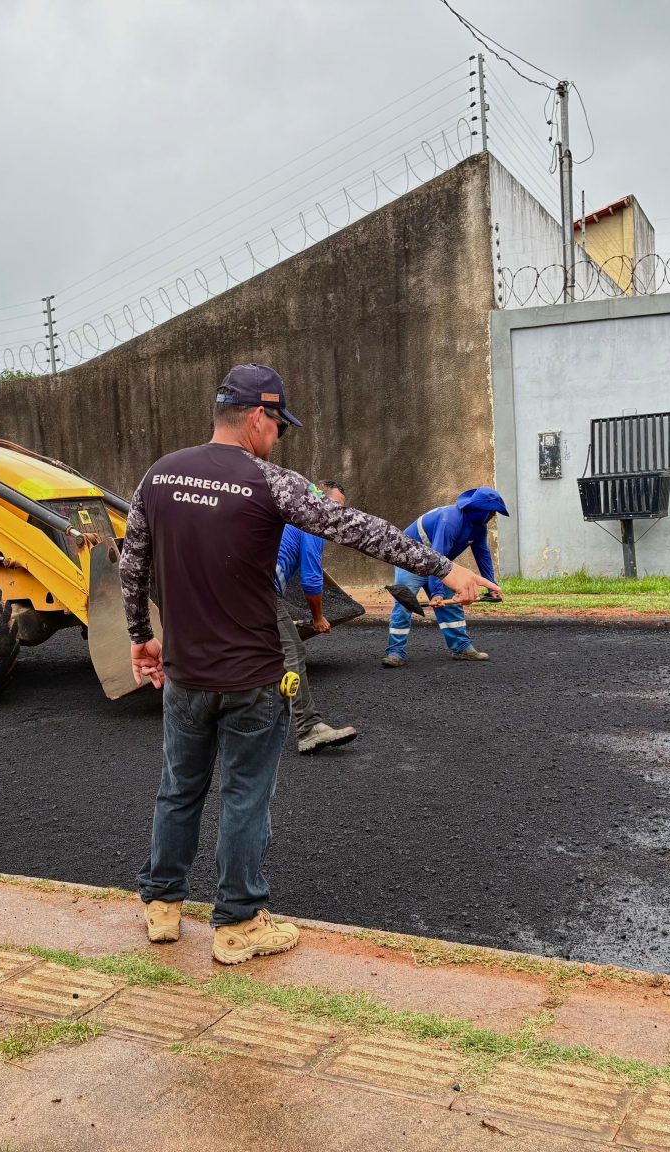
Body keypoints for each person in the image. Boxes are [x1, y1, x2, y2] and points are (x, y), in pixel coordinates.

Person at [120, 364, 501, 965]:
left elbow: (132, 562)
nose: (279, 438)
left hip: (185, 674)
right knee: (245, 795)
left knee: (179, 789)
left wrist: (142, 636)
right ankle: (238, 923)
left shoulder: (158, 476)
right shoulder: (269, 481)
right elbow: (359, 530)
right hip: (250, 676)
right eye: (279, 425)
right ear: (256, 418)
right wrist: (445, 567)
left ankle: (162, 908)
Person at [382, 487, 508, 668]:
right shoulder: (450, 520)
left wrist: (492, 587)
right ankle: (395, 652)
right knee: (403, 605)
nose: (493, 517)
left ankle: (461, 648)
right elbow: (437, 557)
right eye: (492, 513)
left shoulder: (479, 528)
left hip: (437, 562)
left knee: (452, 602)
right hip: (409, 562)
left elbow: (483, 554)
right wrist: (437, 593)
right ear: (481, 510)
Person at [274, 480, 357, 755]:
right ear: (320, 497)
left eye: (341, 509)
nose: (336, 512)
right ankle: (308, 727)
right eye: (335, 505)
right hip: (256, 592)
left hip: (230, 587)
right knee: (293, 652)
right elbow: (311, 579)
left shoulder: (290, 512)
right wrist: (318, 617)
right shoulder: (312, 516)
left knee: (254, 651)